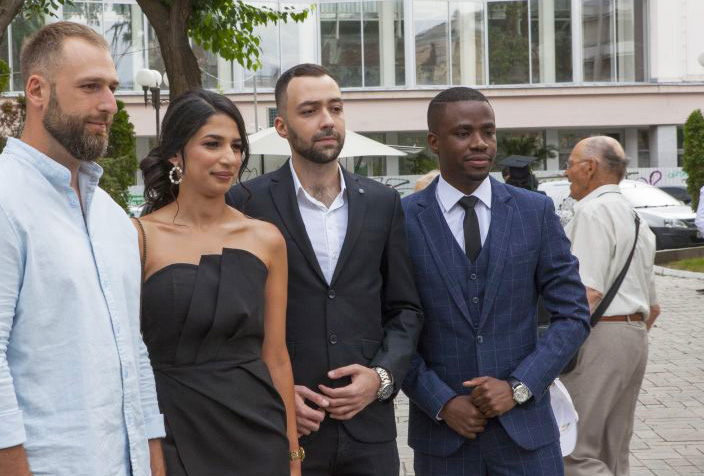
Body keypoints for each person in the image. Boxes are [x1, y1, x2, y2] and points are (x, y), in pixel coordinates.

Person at [0, 22, 165, 476]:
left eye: (112, 88)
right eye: (90, 87)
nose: (109, 104)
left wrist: (153, 463)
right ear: (37, 91)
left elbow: (132, 354)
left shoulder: (113, 217)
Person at [228, 63, 423, 476]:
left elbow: (405, 309)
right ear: (281, 126)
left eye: (335, 108)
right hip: (286, 430)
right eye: (310, 110)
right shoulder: (246, 202)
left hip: (370, 433)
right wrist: (273, 394)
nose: (327, 121)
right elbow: (234, 319)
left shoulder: (383, 202)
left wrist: (381, 378)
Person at [401, 87, 590, 476]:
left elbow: (572, 315)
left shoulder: (533, 211)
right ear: (433, 141)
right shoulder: (401, 219)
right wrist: (440, 400)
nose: (480, 143)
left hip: (527, 436)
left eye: (488, 131)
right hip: (445, 439)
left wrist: (519, 386)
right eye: (463, 133)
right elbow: (389, 325)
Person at [134, 89, 301, 476]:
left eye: (237, 146)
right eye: (213, 144)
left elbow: (275, 356)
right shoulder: (138, 237)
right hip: (173, 427)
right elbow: (129, 363)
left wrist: (293, 455)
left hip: (258, 434)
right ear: (176, 154)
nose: (229, 158)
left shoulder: (266, 239)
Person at [561, 136, 661, 476]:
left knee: (574, 452)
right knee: (613, 453)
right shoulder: (637, 220)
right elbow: (655, 308)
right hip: (633, 336)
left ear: (590, 167)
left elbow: (587, 293)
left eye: (570, 163)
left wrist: (553, 349)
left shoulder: (592, 212)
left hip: (600, 335)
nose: (566, 172)